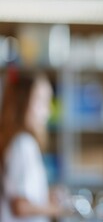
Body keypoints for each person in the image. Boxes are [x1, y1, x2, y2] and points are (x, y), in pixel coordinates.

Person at [0, 68, 68, 222]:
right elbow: (20, 206)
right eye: (42, 101)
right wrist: (59, 210)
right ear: (22, 103)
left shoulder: (15, 140)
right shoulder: (23, 144)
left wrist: (45, 196)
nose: (48, 111)